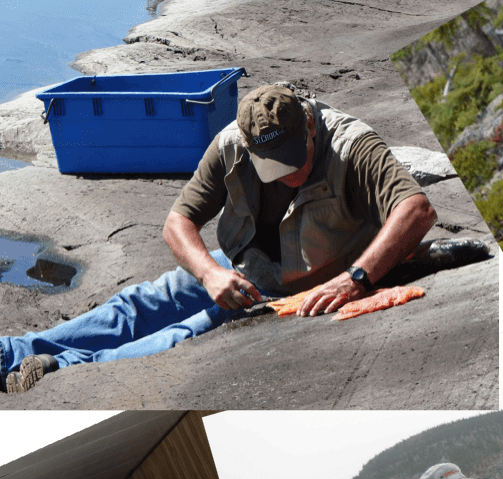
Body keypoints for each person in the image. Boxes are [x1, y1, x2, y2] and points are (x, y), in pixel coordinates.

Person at [0, 83, 460, 393]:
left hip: (302, 284)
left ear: (310, 126)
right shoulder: (230, 143)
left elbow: (416, 209)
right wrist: (209, 272)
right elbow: (177, 223)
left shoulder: (352, 145)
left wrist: (355, 279)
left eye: (294, 160)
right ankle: (11, 354)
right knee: (137, 304)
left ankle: (60, 369)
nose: (290, 174)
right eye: (274, 165)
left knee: (188, 333)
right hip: (239, 265)